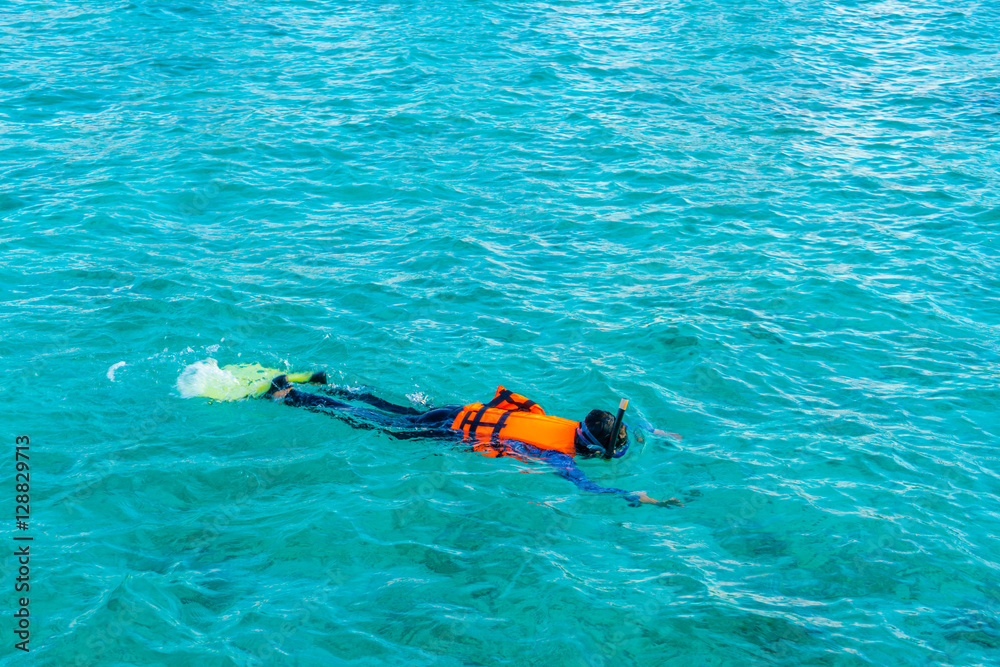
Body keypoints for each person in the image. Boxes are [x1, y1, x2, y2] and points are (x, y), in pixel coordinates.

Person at [263, 375, 681, 507]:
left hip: (456, 412)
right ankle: (293, 396)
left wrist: (652, 431)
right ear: (594, 448)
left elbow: (617, 422)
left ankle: (328, 385)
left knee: (389, 407)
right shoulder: (562, 455)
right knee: (374, 423)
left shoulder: (573, 425)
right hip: (449, 431)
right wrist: (633, 495)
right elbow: (587, 486)